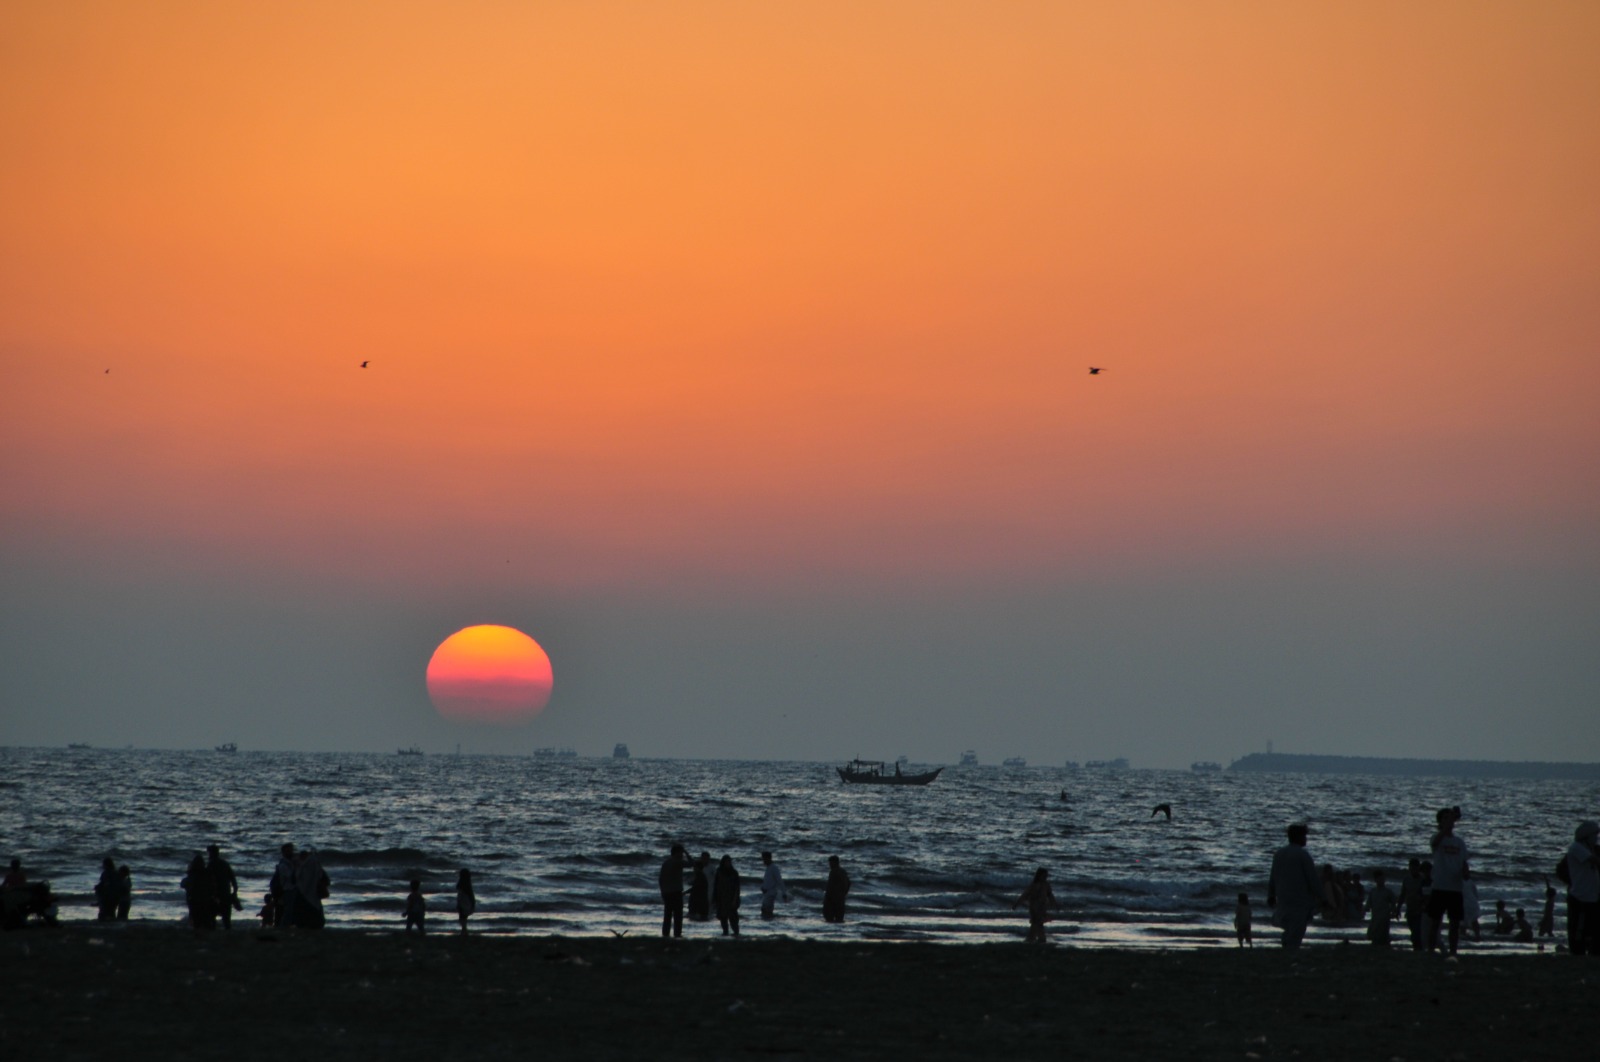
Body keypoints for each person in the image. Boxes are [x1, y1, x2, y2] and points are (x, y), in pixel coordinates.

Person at [1266, 823, 1320, 950]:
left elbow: (1273, 876)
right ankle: (1290, 951)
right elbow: (1313, 879)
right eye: (1304, 836)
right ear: (1298, 837)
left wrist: (1271, 895)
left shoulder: (1279, 854)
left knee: (1289, 928)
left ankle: (1286, 947)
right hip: (1299, 900)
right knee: (1297, 931)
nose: (1306, 839)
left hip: (1283, 899)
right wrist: (1323, 897)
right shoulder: (1303, 855)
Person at [1425, 806, 1470, 955]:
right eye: (1445, 818)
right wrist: (1447, 823)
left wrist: (1465, 873)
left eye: (1449, 818)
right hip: (1439, 886)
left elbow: (1464, 863)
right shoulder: (1436, 837)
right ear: (1440, 822)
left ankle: (1453, 952)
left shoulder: (1459, 842)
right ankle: (1431, 950)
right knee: (1435, 922)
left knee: (1454, 924)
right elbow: (1435, 843)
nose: (1449, 820)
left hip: (1455, 888)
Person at [1564, 820, 1600, 956]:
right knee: (1579, 929)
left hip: (1592, 897)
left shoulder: (1588, 849)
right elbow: (1594, 861)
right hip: (1581, 897)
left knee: (1593, 929)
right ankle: (1578, 953)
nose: (1596, 838)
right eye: (1594, 835)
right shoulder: (1577, 848)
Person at [1012, 868, 1059, 944]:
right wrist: (1016, 904)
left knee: (1035, 925)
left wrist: (1055, 904)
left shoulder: (1046, 885)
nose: (1045, 877)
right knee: (1038, 924)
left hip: (1042, 908)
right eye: (1044, 875)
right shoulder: (1034, 885)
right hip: (1034, 908)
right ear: (1039, 875)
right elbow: (1024, 896)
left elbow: (1050, 896)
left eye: (1046, 876)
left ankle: (1031, 939)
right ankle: (1041, 939)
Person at [294, 848, 330, 929]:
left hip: (306, 893)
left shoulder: (303, 867)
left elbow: (301, 880)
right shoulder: (315, 865)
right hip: (313, 893)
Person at [207, 845, 241, 929]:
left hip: (215, 895)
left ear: (211, 853)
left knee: (212, 916)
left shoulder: (210, 865)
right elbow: (233, 879)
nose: (209, 855)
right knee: (226, 919)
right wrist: (234, 892)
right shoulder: (225, 864)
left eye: (209, 853)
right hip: (226, 894)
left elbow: (207, 881)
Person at [181, 853, 217, 932]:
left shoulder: (192, 873)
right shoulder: (207, 873)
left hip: (193, 900)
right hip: (205, 900)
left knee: (196, 919)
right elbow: (213, 886)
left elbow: (183, 884)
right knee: (205, 918)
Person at [659, 844, 688, 938]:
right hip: (676, 892)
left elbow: (661, 879)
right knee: (678, 916)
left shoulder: (666, 863)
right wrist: (687, 853)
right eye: (681, 852)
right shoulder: (678, 862)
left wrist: (662, 891)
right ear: (677, 853)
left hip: (667, 893)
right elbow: (692, 864)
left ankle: (665, 934)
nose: (682, 855)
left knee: (667, 915)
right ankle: (677, 934)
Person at [1397, 859, 1426, 952]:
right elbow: (1402, 894)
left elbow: (1426, 895)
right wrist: (1398, 908)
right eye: (1411, 867)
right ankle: (1416, 947)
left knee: (1417, 930)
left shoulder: (1423, 879)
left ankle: (1418, 948)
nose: (1413, 869)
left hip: (1420, 909)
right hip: (1410, 908)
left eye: (1415, 867)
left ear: (1418, 868)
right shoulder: (1406, 879)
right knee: (1413, 930)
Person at [270, 843, 299, 928]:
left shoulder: (288, 863)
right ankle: (283, 927)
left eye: (291, 851)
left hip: (290, 889)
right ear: (283, 853)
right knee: (288, 911)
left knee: (289, 910)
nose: (291, 853)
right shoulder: (283, 865)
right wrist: (297, 866)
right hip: (288, 890)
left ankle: (285, 926)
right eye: (288, 851)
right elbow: (292, 878)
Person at [1366, 869, 1395, 946]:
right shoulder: (1373, 891)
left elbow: (1393, 902)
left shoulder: (1388, 891)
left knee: (1384, 933)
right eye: (1380, 879)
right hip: (1375, 915)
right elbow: (1368, 904)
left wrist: (1393, 911)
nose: (1382, 880)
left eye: (1383, 879)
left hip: (1385, 916)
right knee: (1374, 933)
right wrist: (1364, 910)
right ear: (1375, 880)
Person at [714, 855, 741, 937]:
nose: (728, 864)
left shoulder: (734, 873)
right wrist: (715, 898)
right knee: (723, 917)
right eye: (726, 862)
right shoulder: (719, 871)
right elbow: (716, 885)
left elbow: (737, 888)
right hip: (721, 897)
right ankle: (725, 932)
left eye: (729, 862)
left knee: (733, 918)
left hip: (731, 897)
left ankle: (736, 933)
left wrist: (735, 899)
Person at [759, 851, 787, 920]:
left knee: (765, 910)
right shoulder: (768, 868)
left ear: (768, 858)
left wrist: (784, 893)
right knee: (766, 911)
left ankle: (769, 924)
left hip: (771, 893)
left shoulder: (774, 868)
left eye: (764, 859)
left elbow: (779, 880)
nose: (763, 861)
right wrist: (763, 887)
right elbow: (768, 881)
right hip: (767, 893)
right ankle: (769, 923)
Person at [822, 855, 850, 923]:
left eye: (831, 863)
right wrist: (844, 893)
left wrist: (827, 898)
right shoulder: (843, 871)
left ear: (835, 862)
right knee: (839, 919)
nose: (830, 865)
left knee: (829, 918)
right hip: (840, 898)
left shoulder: (834, 872)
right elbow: (848, 883)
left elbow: (830, 886)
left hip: (833, 899)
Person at [688, 852, 712, 923]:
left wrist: (684, 893)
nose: (693, 869)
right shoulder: (700, 875)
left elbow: (695, 888)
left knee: (697, 918)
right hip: (702, 900)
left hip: (700, 901)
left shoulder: (701, 876)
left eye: (695, 867)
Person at [94, 857, 119, 921]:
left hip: (107, 895)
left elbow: (103, 883)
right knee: (111, 911)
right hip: (114, 895)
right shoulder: (115, 872)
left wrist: (98, 887)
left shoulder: (106, 873)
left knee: (104, 911)